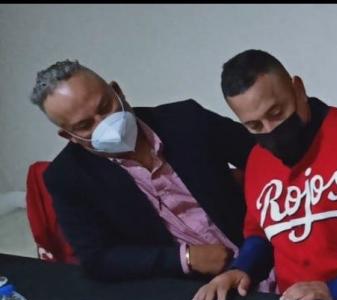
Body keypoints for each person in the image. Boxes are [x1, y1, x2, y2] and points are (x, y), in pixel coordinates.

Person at [191, 50, 337, 300]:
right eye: (255, 126)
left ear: (298, 89)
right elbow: (260, 233)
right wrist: (241, 269)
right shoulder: (257, 160)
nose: (270, 130)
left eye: (277, 112)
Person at [35, 60, 252, 281]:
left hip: (257, 253)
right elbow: (96, 258)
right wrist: (184, 258)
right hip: (185, 285)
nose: (105, 124)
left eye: (104, 107)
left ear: (118, 92)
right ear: (69, 136)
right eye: (84, 125)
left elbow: (260, 155)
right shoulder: (67, 177)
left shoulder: (186, 119)